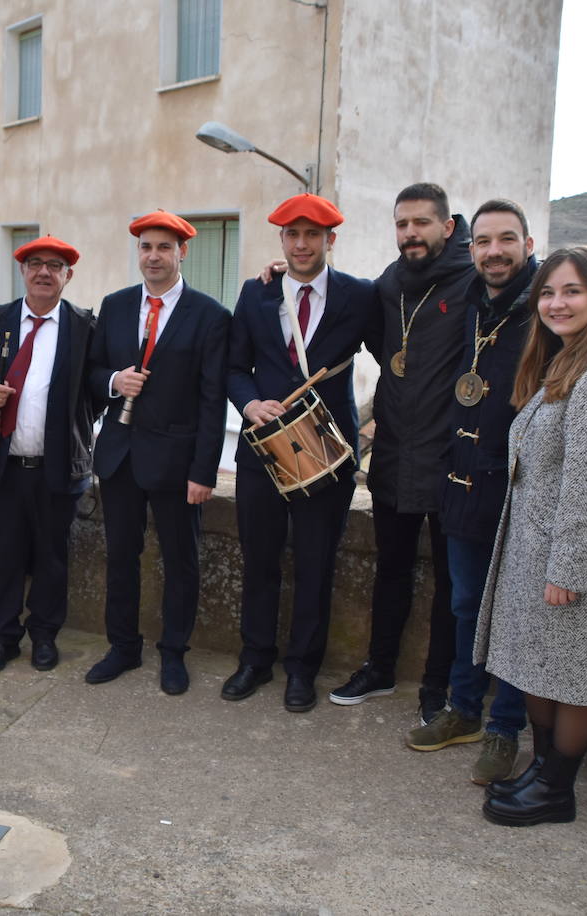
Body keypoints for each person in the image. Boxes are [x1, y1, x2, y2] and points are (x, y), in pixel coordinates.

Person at [475, 245, 587, 826]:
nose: (556, 303)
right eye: (547, 292)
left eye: (570, 290)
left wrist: (568, 570)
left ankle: (556, 790)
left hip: (571, 559)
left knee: (573, 675)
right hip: (541, 550)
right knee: (543, 666)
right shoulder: (571, 361)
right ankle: (543, 772)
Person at [225, 193, 377, 712]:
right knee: (259, 560)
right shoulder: (255, 293)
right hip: (264, 453)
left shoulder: (359, 296)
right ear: (282, 241)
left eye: (313, 234)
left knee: (316, 565)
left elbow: (394, 353)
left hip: (328, 454)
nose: (302, 243)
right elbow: (233, 368)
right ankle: (255, 659)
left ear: (330, 240)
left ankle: (301, 671)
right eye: (293, 234)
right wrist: (248, 404)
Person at [406, 200, 536, 785]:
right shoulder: (472, 302)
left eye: (506, 240)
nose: (494, 251)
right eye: (484, 242)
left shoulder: (546, 308)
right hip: (463, 479)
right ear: (471, 248)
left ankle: (505, 729)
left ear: (528, 246)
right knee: (465, 605)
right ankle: (463, 710)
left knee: (509, 615)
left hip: (520, 490)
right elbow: (406, 270)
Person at [329, 184, 468, 723]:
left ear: (447, 227)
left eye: (421, 223)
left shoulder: (475, 279)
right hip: (392, 454)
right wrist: (281, 279)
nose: (410, 233)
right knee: (391, 570)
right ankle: (380, 668)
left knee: (451, 584)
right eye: (402, 224)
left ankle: (438, 686)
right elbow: (344, 314)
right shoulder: (389, 284)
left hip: (453, 460)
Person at [85, 210, 230, 696]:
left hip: (176, 462)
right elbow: (92, 373)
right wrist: (113, 381)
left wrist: (203, 471)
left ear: (181, 252)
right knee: (121, 556)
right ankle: (123, 647)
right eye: (146, 247)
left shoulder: (210, 315)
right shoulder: (115, 304)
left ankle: (174, 653)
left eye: (163, 248)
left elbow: (213, 400)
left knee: (180, 560)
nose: (153, 256)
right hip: (120, 456)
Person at [0, 235, 102, 675]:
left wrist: (71, 434)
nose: (44, 271)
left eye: (54, 265)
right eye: (35, 263)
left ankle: (44, 636)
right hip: (3, 468)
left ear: (68, 276)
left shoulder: (85, 327)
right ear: (22, 270)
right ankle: (2, 639)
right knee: (4, 558)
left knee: (52, 559)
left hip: (57, 470)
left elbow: (95, 395)